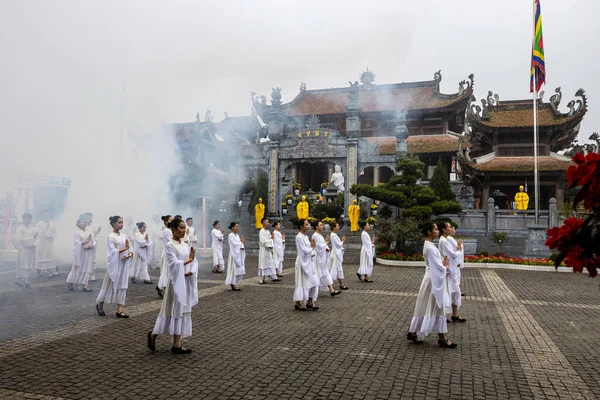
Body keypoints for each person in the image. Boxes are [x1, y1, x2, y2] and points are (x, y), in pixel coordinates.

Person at [148, 218, 199, 354]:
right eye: (181, 228)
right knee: (173, 310)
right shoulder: (170, 246)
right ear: (174, 229)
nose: (184, 231)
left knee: (182, 310)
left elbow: (194, 262)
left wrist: (191, 269)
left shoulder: (184, 245)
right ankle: (153, 334)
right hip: (176, 283)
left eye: (184, 228)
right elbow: (173, 264)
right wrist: (189, 260)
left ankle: (177, 344)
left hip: (186, 280)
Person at [407, 222, 457, 348]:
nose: (437, 231)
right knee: (437, 306)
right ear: (429, 232)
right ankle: (442, 338)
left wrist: (442, 266)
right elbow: (437, 267)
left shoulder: (428, 245)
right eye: (435, 229)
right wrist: (445, 267)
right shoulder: (430, 247)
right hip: (433, 280)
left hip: (429, 278)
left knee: (424, 306)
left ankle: (414, 332)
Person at [95, 216, 133, 318]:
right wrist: (124, 249)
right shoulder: (110, 237)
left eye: (122, 222)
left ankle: (120, 310)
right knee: (108, 285)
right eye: (119, 223)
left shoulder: (124, 236)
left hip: (123, 264)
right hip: (114, 265)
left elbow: (131, 248)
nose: (121, 224)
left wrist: (129, 254)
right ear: (113, 224)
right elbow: (111, 252)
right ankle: (100, 303)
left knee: (122, 286)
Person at [439, 222, 467, 323]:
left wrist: (458, 251)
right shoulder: (444, 241)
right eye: (450, 227)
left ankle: (455, 315)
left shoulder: (446, 240)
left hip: (452, 269)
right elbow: (453, 254)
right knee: (447, 293)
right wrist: (460, 249)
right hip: (449, 270)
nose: (451, 229)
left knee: (455, 292)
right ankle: (442, 316)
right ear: (444, 229)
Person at [294, 218, 319, 311]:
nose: (308, 226)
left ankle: (309, 302)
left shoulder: (305, 236)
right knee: (301, 282)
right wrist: (312, 248)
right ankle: (298, 303)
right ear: (301, 226)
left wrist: (311, 248)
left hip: (308, 261)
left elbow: (307, 249)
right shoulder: (299, 237)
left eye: (308, 224)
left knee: (314, 281)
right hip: (302, 263)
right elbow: (303, 250)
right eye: (306, 224)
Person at [66, 216, 96, 292]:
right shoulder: (77, 232)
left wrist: (92, 245)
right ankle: (70, 282)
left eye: (85, 222)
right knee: (77, 267)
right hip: (80, 253)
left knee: (87, 267)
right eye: (83, 222)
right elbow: (76, 243)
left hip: (87, 252)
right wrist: (85, 242)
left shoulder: (88, 232)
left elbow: (93, 240)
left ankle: (85, 286)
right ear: (78, 223)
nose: (85, 223)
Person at [313, 221, 341, 297]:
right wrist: (326, 243)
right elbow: (319, 247)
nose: (322, 226)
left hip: (322, 257)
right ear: (316, 227)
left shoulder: (320, 235)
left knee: (325, 273)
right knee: (318, 274)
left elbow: (323, 245)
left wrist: (326, 245)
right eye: (321, 225)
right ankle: (313, 291)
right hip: (318, 258)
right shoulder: (315, 236)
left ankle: (332, 291)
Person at [15, 213, 37, 289]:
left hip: (31, 248)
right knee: (24, 264)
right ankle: (26, 281)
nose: (29, 220)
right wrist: (32, 239)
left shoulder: (32, 228)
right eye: (28, 219)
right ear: (23, 219)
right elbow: (21, 240)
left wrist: (34, 243)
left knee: (30, 264)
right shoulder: (20, 229)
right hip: (24, 249)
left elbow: (36, 236)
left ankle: (24, 279)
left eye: (30, 219)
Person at [35, 211, 58, 278]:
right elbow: (38, 233)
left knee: (49, 256)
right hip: (42, 242)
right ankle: (38, 272)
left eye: (47, 215)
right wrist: (44, 231)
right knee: (41, 256)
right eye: (45, 215)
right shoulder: (38, 224)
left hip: (49, 242)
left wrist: (52, 237)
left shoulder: (52, 224)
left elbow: (55, 233)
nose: (46, 217)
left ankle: (51, 271)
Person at [156, 215, 174, 298]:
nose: (172, 222)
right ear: (166, 222)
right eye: (171, 220)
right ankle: (162, 286)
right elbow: (172, 241)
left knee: (169, 271)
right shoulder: (166, 231)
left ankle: (163, 287)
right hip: (168, 252)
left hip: (171, 252)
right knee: (166, 271)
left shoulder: (170, 230)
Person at [258, 217, 279, 284]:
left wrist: (271, 240)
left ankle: (273, 277)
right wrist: (271, 240)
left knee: (270, 263)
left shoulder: (268, 231)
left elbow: (270, 239)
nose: (268, 223)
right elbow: (263, 241)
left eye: (268, 222)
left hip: (268, 250)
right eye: (267, 222)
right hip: (264, 250)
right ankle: (261, 279)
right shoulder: (261, 231)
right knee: (263, 264)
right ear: (263, 223)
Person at [225, 222, 245, 291]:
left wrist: (241, 244)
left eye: (238, 226)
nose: (237, 228)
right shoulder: (230, 235)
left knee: (240, 270)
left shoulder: (237, 235)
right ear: (232, 227)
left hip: (238, 254)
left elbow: (238, 243)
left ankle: (234, 282)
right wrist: (241, 243)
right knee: (233, 269)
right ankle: (232, 283)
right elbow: (234, 244)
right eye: (236, 226)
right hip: (233, 254)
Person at [82, 212, 101, 282]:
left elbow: (94, 235)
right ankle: (86, 276)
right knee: (86, 260)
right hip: (87, 246)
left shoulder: (92, 226)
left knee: (93, 261)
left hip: (93, 245)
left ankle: (92, 276)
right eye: (89, 218)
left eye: (91, 217)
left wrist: (97, 232)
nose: (91, 219)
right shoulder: (84, 227)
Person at [328, 222, 348, 290]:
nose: (338, 227)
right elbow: (338, 245)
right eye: (337, 226)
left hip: (335, 252)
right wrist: (343, 241)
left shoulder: (334, 235)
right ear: (333, 227)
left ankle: (341, 284)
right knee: (334, 269)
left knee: (338, 269)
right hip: (335, 254)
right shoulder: (333, 235)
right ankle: (329, 285)